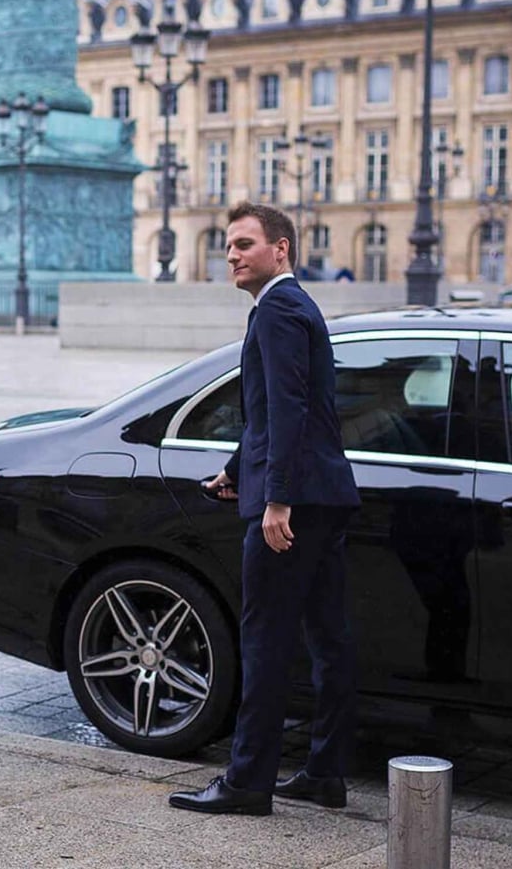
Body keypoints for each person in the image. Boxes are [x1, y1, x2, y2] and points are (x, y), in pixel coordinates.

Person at [169, 202, 361, 817]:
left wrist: (275, 498)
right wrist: (234, 469)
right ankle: (326, 774)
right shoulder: (295, 305)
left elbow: (288, 411)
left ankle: (248, 782)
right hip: (324, 496)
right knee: (328, 641)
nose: (232, 254)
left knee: (266, 642)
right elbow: (270, 411)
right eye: (228, 245)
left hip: (294, 504)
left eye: (245, 244)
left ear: (280, 250)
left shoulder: (277, 310)